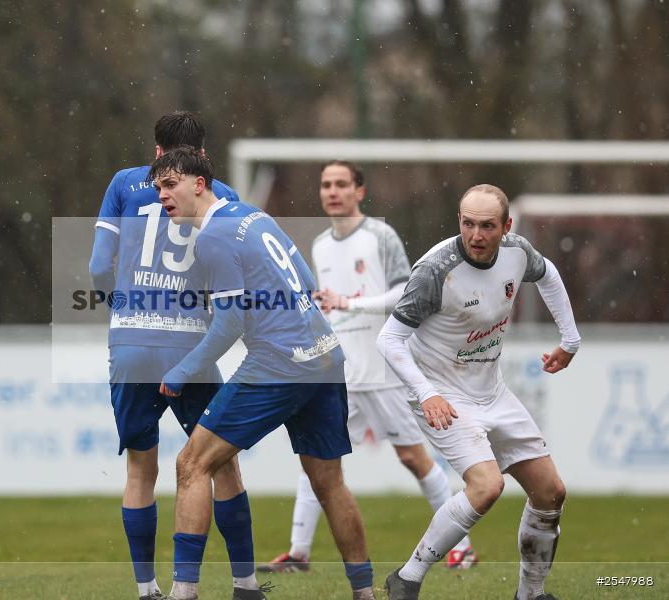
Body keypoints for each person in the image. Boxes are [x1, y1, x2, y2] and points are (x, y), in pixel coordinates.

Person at [152, 147, 376, 600]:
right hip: (325, 355)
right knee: (329, 483)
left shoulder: (212, 237)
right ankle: (365, 592)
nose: (163, 196)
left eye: (170, 185)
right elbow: (306, 279)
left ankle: (183, 591)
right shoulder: (254, 216)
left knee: (192, 464)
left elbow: (229, 323)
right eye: (158, 188)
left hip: (280, 362)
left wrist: (183, 370)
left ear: (199, 184)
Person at [258, 161, 476, 574]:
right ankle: (298, 553)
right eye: (326, 185)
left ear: (359, 191)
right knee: (317, 456)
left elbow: (403, 293)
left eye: (341, 184)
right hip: (340, 372)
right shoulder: (320, 244)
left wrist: (350, 303)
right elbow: (330, 305)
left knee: (413, 457)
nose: (332, 191)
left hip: (384, 371)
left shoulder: (380, 236)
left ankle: (462, 548)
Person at [377, 184, 581, 600]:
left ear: (506, 226)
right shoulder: (435, 270)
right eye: (468, 224)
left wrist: (570, 340)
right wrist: (427, 394)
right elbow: (389, 339)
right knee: (487, 486)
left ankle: (530, 594)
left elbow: (548, 274)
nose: (475, 235)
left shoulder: (517, 252)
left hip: (492, 391)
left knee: (551, 492)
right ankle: (407, 578)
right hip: (442, 394)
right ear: (459, 221)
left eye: (487, 226)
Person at [88, 112, 257, 600]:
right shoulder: (221, 193)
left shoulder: (124, 183)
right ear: (202, 154)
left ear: (157, 151)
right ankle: (245, 583)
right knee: (220, 465)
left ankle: (147, 589)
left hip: (131, 342)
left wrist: (121, 307)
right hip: (191, 343)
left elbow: (98, 265)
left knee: (141, 470)